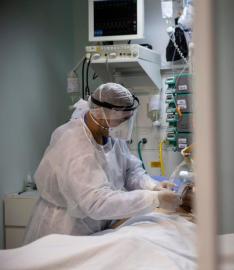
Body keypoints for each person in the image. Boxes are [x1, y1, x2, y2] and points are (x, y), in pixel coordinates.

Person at [24, 83, 180, 244]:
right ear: (100, 113)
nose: (126, 125)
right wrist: (154, 199)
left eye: (129, 118)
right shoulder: (73, 143)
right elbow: (97, 202)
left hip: (98, 226)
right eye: (123, 119)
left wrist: (152, 186)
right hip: (66, 231)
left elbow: (130, 171)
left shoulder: (110, 134)